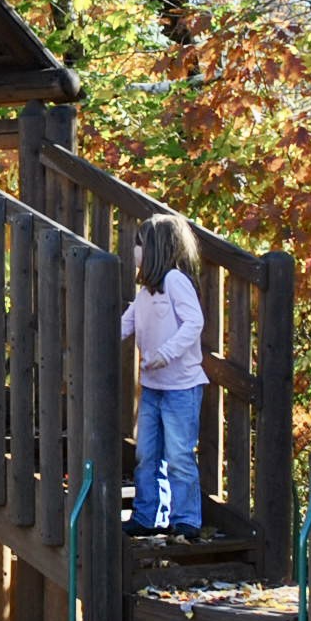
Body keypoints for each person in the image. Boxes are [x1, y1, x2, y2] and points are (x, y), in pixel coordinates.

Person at [119, 213, 207, 538]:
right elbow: (124, 325)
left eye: (139, 245)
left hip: (181, 388)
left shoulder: (175, 282)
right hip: (153, 388)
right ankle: (146, 515)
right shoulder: (145, 294)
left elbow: (193, 323)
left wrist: (165, 354)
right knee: (146, 454)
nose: (134, 251)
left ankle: (186, 520)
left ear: (154, 249)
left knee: (179, 455)